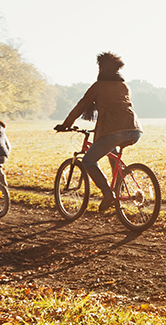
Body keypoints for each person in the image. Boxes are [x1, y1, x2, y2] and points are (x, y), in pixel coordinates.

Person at [55, 52, 143, 214]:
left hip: (113, 131)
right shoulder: (125, 86)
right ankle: (118, 186)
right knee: (112, 150)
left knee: (88, 161)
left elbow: (82, 105)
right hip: (135, 129)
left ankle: (108, 194)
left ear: (101, 68)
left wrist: (66, 124)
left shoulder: (98, 86)